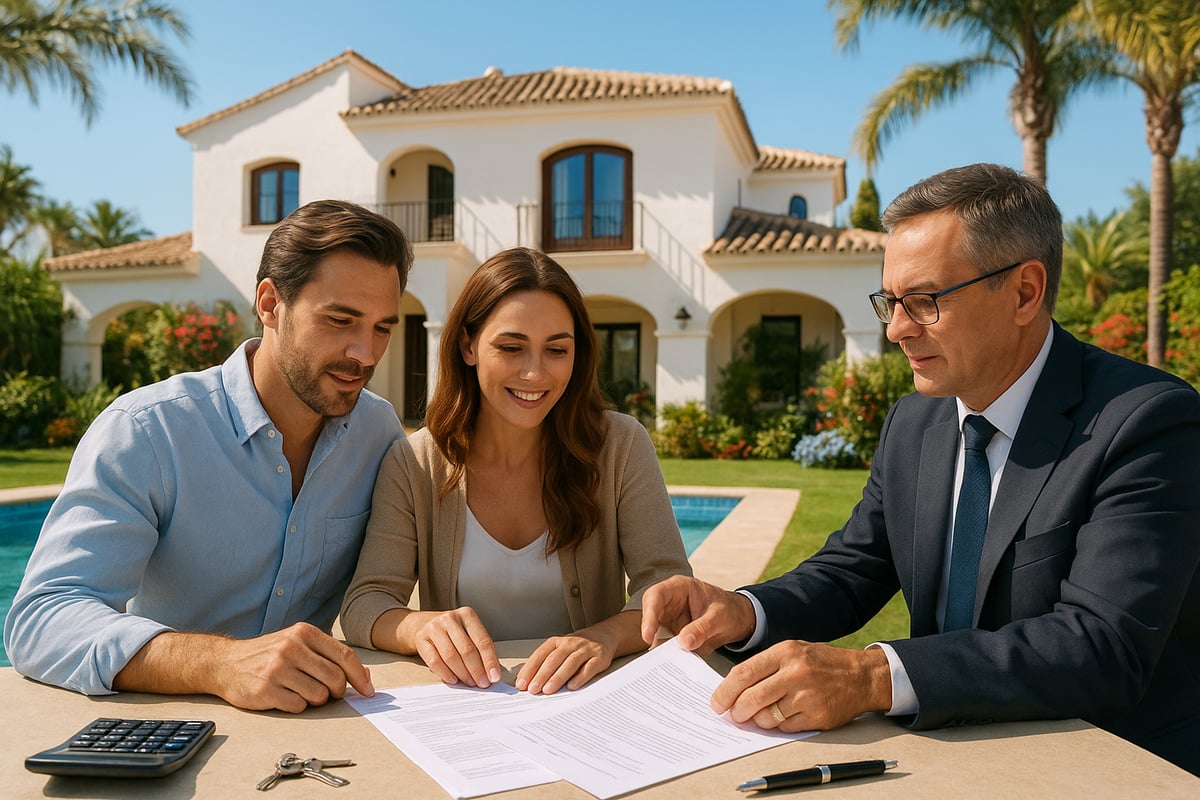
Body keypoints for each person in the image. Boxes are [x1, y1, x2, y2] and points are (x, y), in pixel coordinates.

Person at [640, 163, 1200, 775]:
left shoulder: (1147, 422)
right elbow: (853, 568)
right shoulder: (916, 422)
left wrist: (873, 674)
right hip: (948, 761)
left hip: (1114, 768)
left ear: (1024, 292)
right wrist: (745, 611)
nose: (897, 330)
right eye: (890, 302)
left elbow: (1100, 646)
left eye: (925, 301)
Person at [5, 199, 413, 713]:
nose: (366, 354)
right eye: (340, 320)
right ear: (270, 304)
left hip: (319, 731)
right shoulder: (148, 432)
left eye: (382, 327)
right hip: (172, 740)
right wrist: (218, 663)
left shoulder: (378, 433)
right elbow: (42, 619)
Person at [340, 247, 692, 695]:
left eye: (556, 350)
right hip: (471, 714)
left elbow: (671, 592)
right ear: (468, 346)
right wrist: (418, 627)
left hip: (588, 704)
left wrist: (603, 636)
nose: (534, 372)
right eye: (511, 347)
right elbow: (365, 604)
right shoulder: (415, 463)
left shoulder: (620, 446)